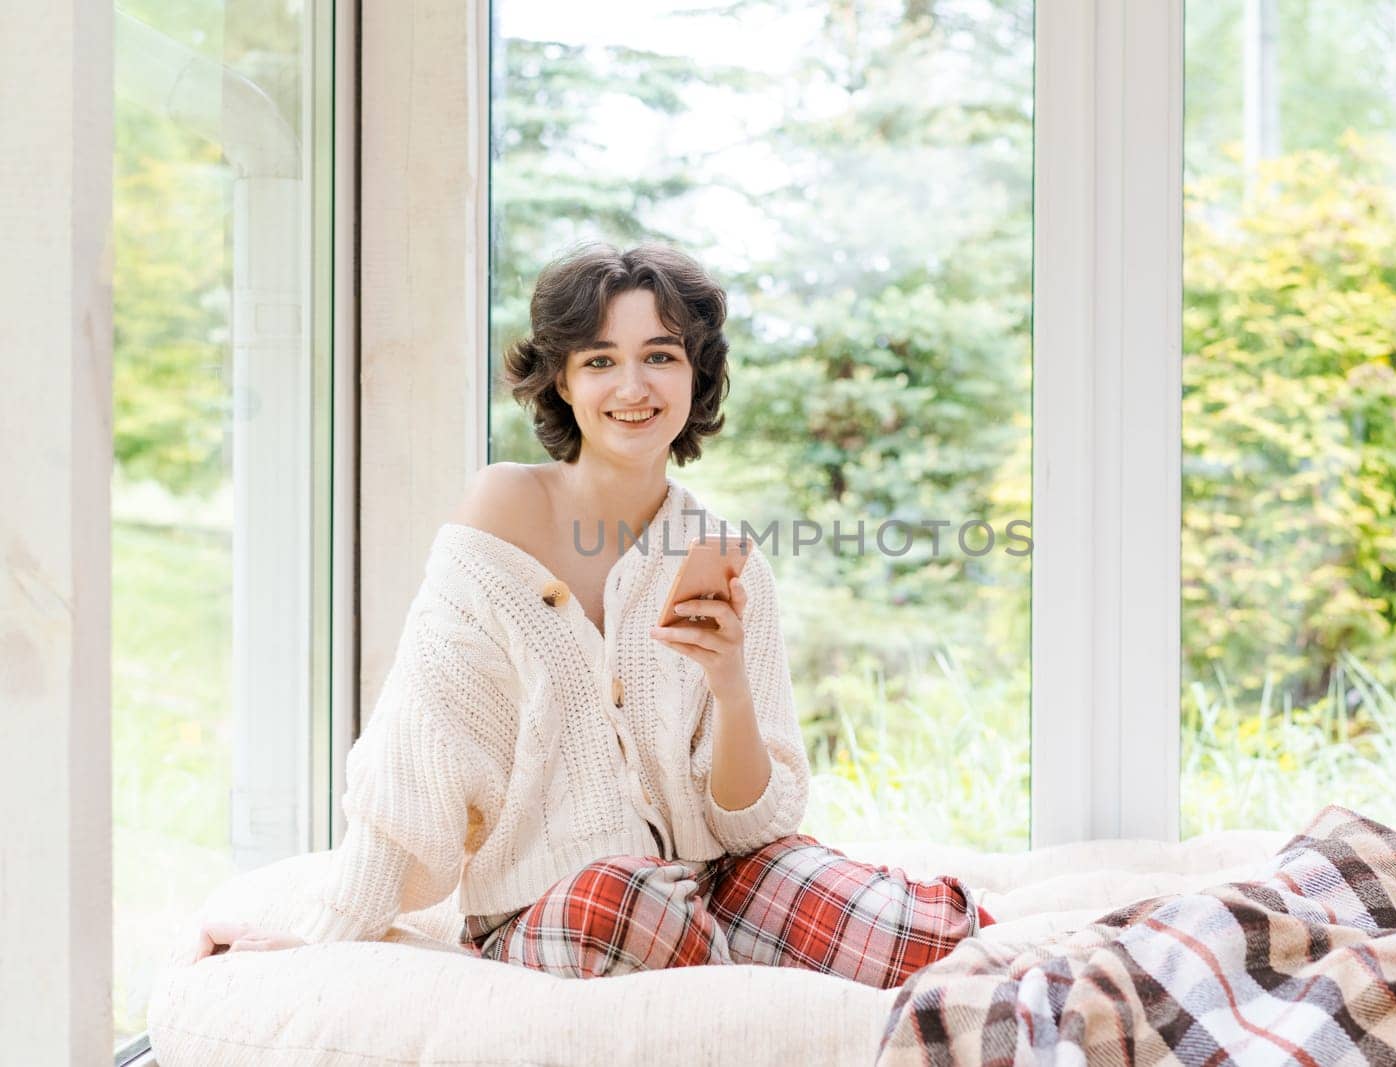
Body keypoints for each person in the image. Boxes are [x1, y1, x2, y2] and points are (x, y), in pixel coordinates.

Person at [181, 242, 995, 987]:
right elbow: (419, 741)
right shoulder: (502, 508)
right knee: (628, 900)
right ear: (563, 380)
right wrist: (330, 931)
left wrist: (732, 685)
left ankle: (1049, 949)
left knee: (911, 937)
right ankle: (743, 962)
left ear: (695, 377)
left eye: (660, 357)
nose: (633, 387)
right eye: (601, 359)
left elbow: (752, 826)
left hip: (716, 877)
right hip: (560, 905)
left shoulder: (722, 551)